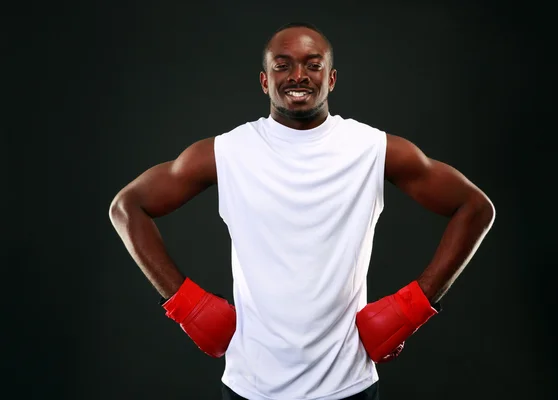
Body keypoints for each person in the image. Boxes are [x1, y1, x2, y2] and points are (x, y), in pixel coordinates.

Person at [109, 22, 495, 400]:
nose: (299, 76)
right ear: (265, 80)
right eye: (283, 64)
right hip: (250, 386)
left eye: (313, 65)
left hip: (348, 385)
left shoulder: (372, 149)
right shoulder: (227, 152)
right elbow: (128, 207)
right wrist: (186, 306)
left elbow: (474, 207)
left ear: (331, 79)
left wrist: (412, 308)